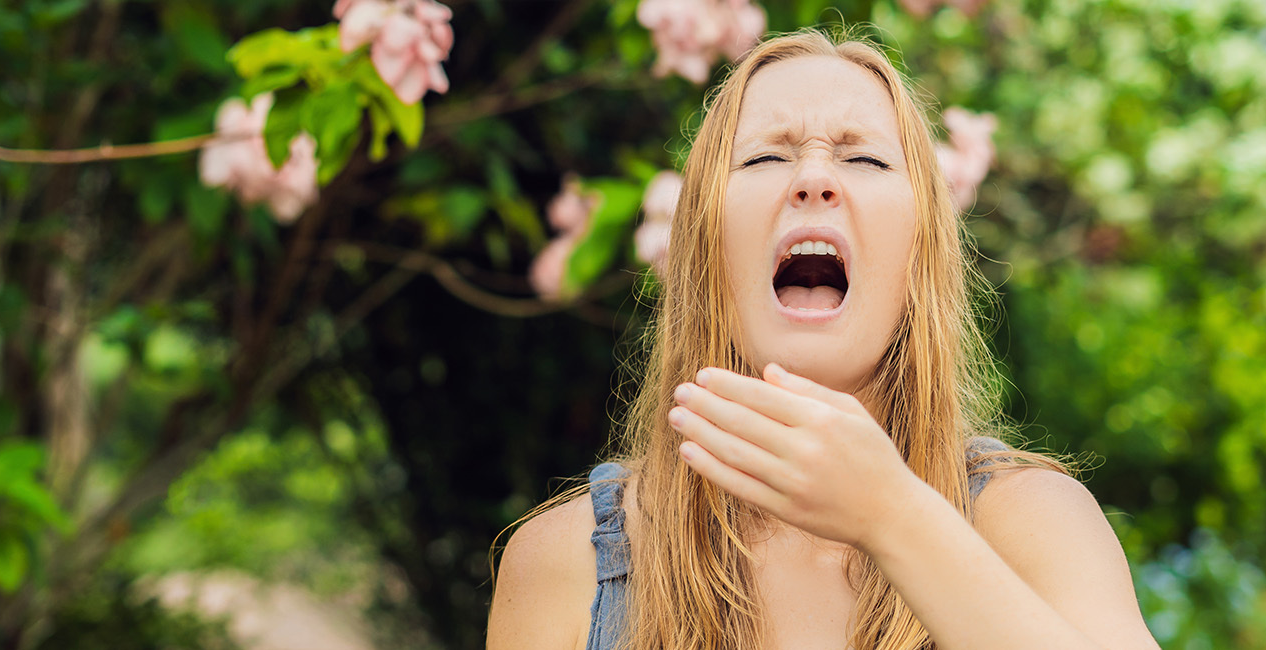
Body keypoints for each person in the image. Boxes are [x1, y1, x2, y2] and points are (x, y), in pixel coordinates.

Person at [488, 29, 1160, 650]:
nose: (813, 178)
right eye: (765, 155)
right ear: (703, 248)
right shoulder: (564, 563)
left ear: (919, 257)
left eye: (863, 157)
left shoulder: (1033, 525)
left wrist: (892, 517)